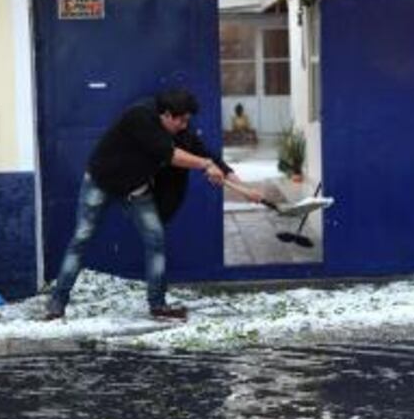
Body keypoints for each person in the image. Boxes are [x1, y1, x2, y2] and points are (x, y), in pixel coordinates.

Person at [46, 88, 262, 320]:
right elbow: (170, 154)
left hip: (136, 189)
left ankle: (158, 305)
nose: (185, 126)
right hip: (101, 181)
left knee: (155, 239)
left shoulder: (181, 130)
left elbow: (213, 159)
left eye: (188, 121)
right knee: (82, 237)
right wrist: (204, 165)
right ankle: (57, 303)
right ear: (167, 115)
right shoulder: (139, 117)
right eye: (182, 120)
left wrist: (245, 189)